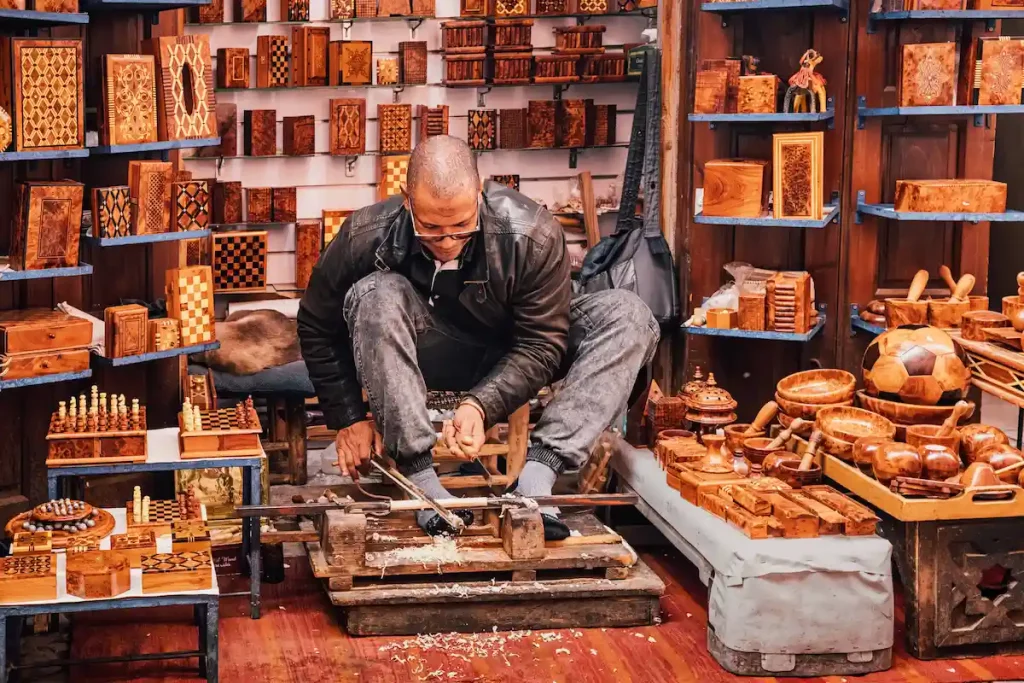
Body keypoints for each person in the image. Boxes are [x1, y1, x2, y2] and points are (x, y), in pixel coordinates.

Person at [297, 135, 659, 539]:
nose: (448, 242)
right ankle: (425, 486)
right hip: (423, 348)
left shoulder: (532, 233)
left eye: (462, 227)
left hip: (516, 350)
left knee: (629, 315)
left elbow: (542, 342)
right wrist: (347, 417)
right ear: (406, 200)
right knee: (376, 293)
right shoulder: (366, 234)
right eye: (431, 229)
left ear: (480, 193)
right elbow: (316, 324)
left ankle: (535, 484)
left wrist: (482, 404)